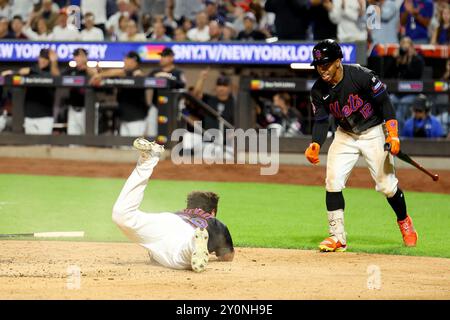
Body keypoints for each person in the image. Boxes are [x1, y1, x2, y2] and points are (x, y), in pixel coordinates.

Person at [306, 39, 418, 252]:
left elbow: (385, 103)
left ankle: (404, 221)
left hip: (373, 132)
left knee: (387, 186)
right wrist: (315, 143)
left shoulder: (361, 76)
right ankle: (337, 237)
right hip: (345, 134)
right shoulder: (318, 90)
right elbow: (321, 120)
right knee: (332, 181)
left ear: (339, 61)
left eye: (327, 64)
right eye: (319, 65)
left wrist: (392, 134)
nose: (322, 69)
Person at [112, 137, 234, 272]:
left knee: (123, 215)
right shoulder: (215, 222)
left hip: (166, 220)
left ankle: (148, 160)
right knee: (179, 258)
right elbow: (227, 257)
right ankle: (194, 245)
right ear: (212, 212)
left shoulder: (180, 213)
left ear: (188, 207)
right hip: (187, 234)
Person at [2, 49, 60, 135]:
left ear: (49, 61)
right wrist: (11, 72)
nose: (43, 60)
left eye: (46, 59)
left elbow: (57, 77)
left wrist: (54, 62)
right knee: (31, 146)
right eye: (41, 58)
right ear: (38, 58)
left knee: (43, 145)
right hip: (29, 116)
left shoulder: (50, 72)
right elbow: (19, 72)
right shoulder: (32, 69)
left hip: (45, 117)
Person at [90, 51, 147, 137]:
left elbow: (120, 72)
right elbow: (112, 76)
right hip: (124, 119)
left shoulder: (137, 73)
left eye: (127, 59)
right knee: (123, 149)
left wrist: (101, 75)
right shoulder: (124, 74)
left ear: (134, 61)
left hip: (136, 121)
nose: (124, 60)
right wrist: (100, 73)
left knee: (136, 149)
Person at [387, 36, 425, 131]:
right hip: (396, 93)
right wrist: (394, 59)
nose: (405, 46)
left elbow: (415, 75)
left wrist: (409, 60)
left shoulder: (417, 60)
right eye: (403, 43)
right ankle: (388, 131)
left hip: (411, 93)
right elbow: (387, 74)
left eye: (407, 43)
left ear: (412, 47)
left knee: (402, 106)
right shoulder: (398, 59)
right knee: (390, 100)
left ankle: (400, 134)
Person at [63, 48, 97, 135]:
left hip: (88, 110)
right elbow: (56, 76)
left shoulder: (90, 70)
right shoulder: (71, 71)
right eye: (76, 56)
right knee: (72, 140)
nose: (78, 58)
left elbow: (95, 75)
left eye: (81, 56)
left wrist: (86, 63)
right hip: (73, 109)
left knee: (89, 137)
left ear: (86, 57)